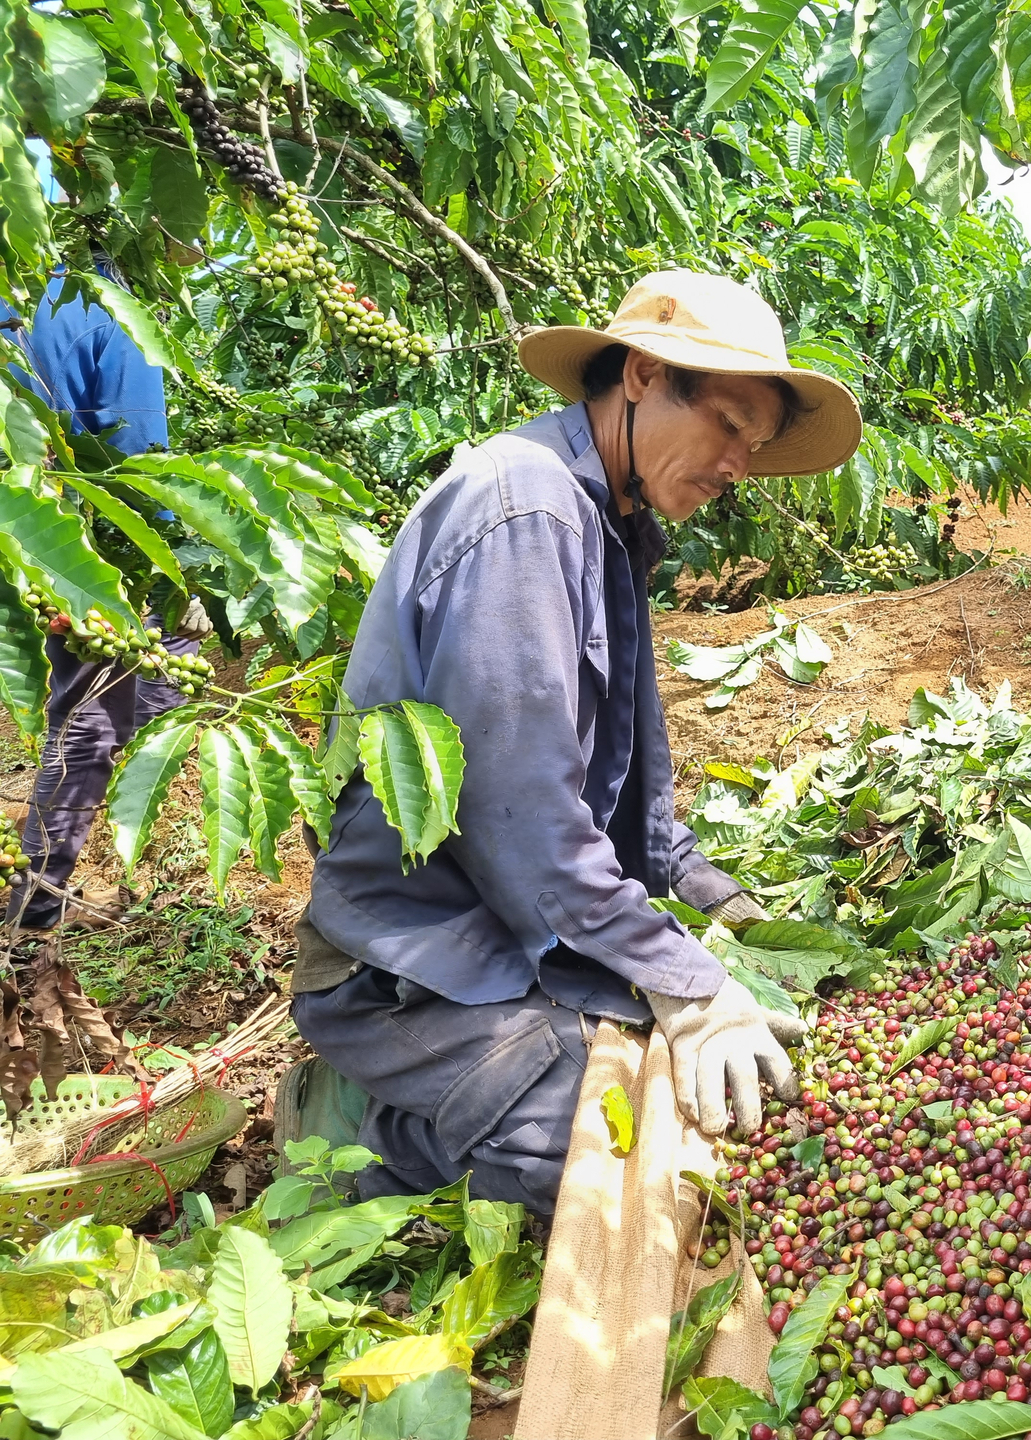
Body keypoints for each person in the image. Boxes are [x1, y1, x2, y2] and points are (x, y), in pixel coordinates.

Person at [290, 271, 863, 1212]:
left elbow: (629, 789)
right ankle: (360, 1127)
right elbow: (522, 822)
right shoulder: (528, 512)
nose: (736, 468)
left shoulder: (608, 521)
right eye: (727, 425)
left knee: (699, 1104)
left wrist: (723, 905)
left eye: (754, 449)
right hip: (413, 962)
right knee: (612, 1162)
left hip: (511, 928)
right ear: (640, 375)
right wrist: (687, 985)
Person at [2, 272, 208, 931]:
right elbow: (135, 451)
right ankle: (34, 903)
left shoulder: (21, 298)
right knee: (96, 713)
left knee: (119, 695)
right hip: (79, 550)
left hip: (26, 534)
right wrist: (176, 569)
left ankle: (122, 849)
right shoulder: (104, 309)